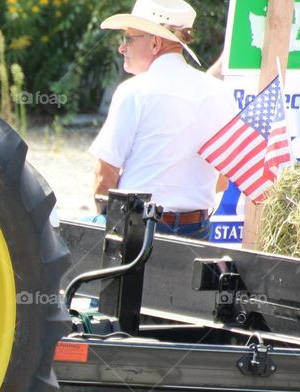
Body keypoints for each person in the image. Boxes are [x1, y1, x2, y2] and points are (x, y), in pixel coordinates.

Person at [89, 0, 236, 239]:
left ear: (155, 43)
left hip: (137, 233)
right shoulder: (219, 92)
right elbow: (221, 182)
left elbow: (103, 179)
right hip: (196, 231)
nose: (121, 48)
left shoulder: (133, 92)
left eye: (128, 38)